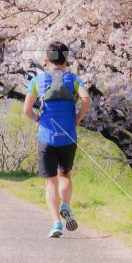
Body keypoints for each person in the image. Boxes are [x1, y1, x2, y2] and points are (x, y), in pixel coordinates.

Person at [23, 42, 92, 238]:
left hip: (47, 138)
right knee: (65, 176)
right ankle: (66, 205)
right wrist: (78, 118)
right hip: (68, 137)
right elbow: (86, 99)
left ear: (46, 60)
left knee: (50, 182)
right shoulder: (74, 80)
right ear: (66, 60)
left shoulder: (38, 80)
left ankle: (56, 223)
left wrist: (39, 120)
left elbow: (26, 110)